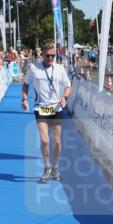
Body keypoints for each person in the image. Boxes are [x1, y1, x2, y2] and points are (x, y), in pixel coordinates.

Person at [22, 43, 72, 182]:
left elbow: (68, 86)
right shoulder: (34, 69)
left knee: (57, 141)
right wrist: (24, 99)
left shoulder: (60, 69)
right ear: (42, 54)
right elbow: (26, 84)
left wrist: (65, 97)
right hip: (41, 108)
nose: (50, 58)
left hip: (56, 108)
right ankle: (47, 167)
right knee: (44, 140)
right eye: (48, 55)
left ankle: (55, 168)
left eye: (53, 55)